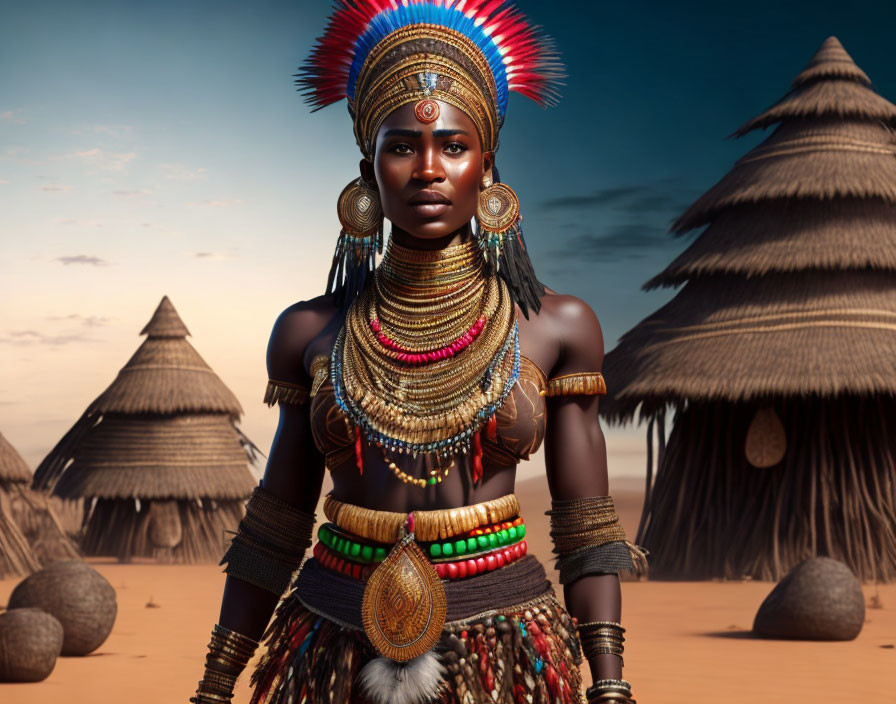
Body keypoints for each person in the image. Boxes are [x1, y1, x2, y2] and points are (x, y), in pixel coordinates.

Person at [190, 3, 646, 704]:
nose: (428, 169)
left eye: (454, 146)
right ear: (367, 170)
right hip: (330, 637)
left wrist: (609, 683)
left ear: (487, 164)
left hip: (505, 639)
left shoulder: (557, 326)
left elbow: (585, 522)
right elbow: (276, 522)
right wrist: (217, 684)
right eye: (402, 146)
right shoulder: (310, 332)